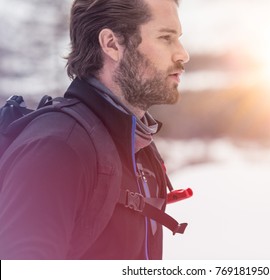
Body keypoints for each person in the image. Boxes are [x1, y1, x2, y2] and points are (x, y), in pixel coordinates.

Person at [0, 0, 190, 260]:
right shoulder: (58, 149)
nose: (183, 54)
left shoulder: (135, 144)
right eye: (166, 38)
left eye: (178, 38)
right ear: (111, 44)